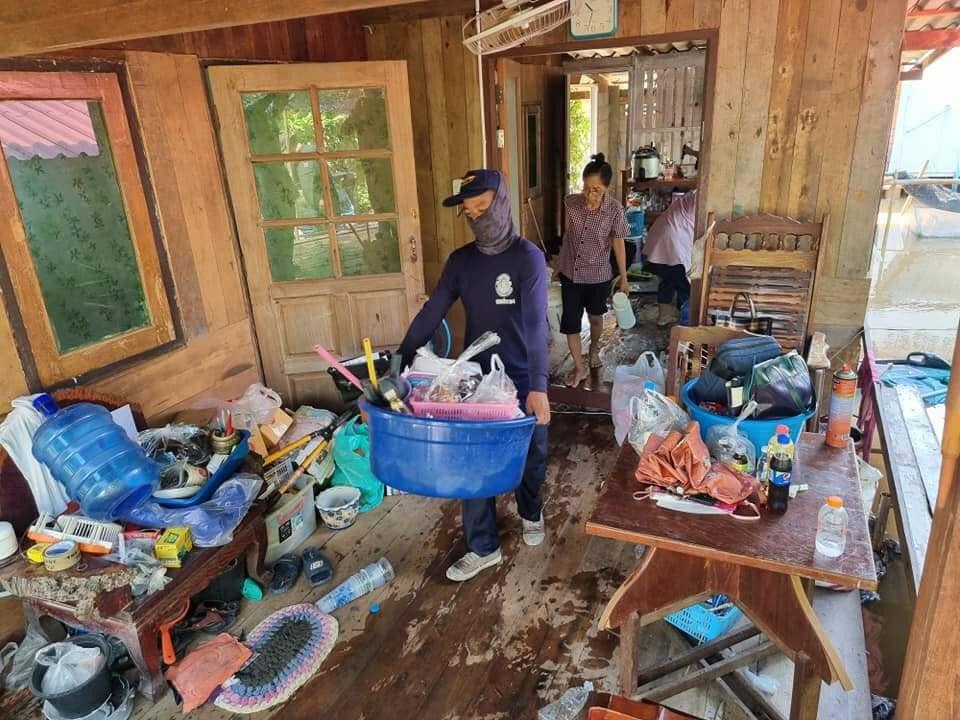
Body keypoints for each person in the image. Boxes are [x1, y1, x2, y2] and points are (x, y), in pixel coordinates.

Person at [397, 169, 550, 583]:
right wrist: (401, 358)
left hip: (522, 374)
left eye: (483, 207)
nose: (477, 217)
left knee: (532, 454)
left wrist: (538, 387)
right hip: (475, 380)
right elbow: (432, 312)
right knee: (472, 464)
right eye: (469, 212)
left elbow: (536, 325)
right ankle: (483, 546)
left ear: (501, 202)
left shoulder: (527, 258)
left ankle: (531, 510)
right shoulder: (461, 262)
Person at [554, 153, 631, 387]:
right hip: (571, 273)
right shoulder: (571, 203)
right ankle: (579, 366)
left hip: (598, 276)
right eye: (586, 188)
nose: (589, 195)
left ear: (607, 187)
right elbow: (567, 237)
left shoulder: (615, 210)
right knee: (571, 322)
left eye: (596, 190)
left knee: (596, 319)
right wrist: (559, 265)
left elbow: (619, 244)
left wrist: (624, 278)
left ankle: (594, 349)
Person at [643, 189, 697, 326]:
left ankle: (665, 316)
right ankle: (685, 322)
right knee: (684, 284)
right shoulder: (702, 197)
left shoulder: (694, 195)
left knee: (669, 279)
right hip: (673, 240)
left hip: (665, 234)